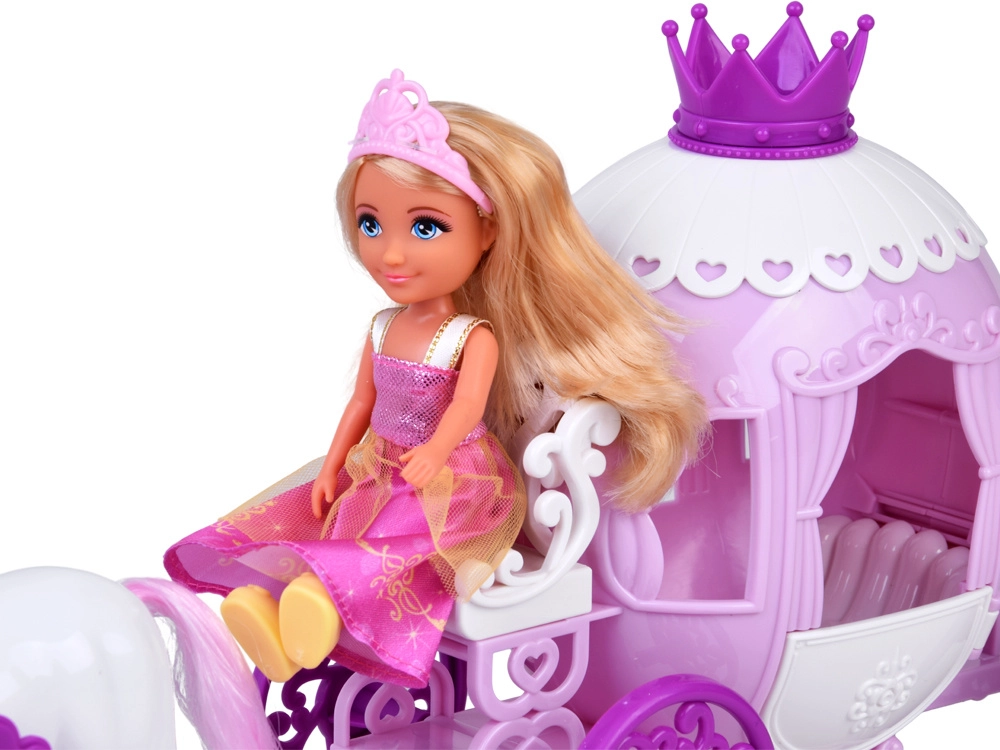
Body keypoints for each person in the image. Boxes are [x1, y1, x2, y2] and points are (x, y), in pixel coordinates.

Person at [164, 69, 706, 687]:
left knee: (398, 541)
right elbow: (362, 402)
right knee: (326, 519)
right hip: (383, 465)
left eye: (426, 227)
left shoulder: (469, 336)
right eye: (371, 224)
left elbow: (468, 405)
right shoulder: (383, 326)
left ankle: (318, 602)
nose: (391, 254)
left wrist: (435, 452)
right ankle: (281, 621)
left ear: (488, 231)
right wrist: (335, 461)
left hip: (456, 481)